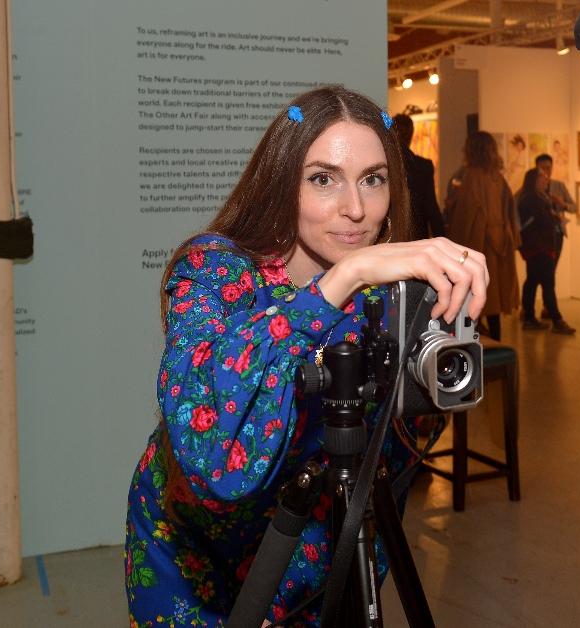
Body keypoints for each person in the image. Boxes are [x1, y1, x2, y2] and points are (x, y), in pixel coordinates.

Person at [124, 86, 491, 627]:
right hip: (198, 563)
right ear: (281, 184)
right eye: (324, 179)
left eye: (373, 179)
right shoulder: (215, 270)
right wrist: (343, 280)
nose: (356, 209)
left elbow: (392, 458)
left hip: (318, 563)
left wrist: (432, 335)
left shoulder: (388, 297)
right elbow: (211, 450)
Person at [445, 131, 520, 340]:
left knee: (473, 299)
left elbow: (464, 218)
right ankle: (496, 342)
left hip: (478, 247)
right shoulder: (498, 178)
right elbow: (509, 212)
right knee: (493, 301)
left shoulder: (470, 178)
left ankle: (477, 351)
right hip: (499, 248)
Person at [517, 167, 575, 334]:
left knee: (533, 281)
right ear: (534, 180)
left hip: (535, 246)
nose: (546, 179)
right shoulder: (533, 199)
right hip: (539, 247)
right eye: (542, 177)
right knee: (548, 283)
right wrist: (555, 217)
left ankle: (529, 318)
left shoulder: (532, 197)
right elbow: (544, 220)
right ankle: (557, 320)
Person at [390, 113, 446, 240]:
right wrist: (442, 240)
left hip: (390, 238)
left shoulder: (385, 164)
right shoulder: (424, 166)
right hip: (417, 237)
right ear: (411, 135)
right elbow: (431, 208)